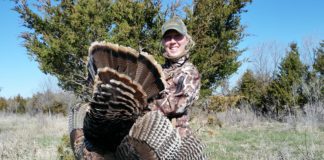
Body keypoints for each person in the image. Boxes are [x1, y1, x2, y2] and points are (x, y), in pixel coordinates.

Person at [150, 16, 201, 137]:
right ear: (163, 42)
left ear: (186, 40)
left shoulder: (191, 72)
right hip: (150, 134)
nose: (172, 41)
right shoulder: (157, 70)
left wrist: (140, 109)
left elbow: (176, 105)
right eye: (168, 37)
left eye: (177, 36)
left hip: (176, 141)